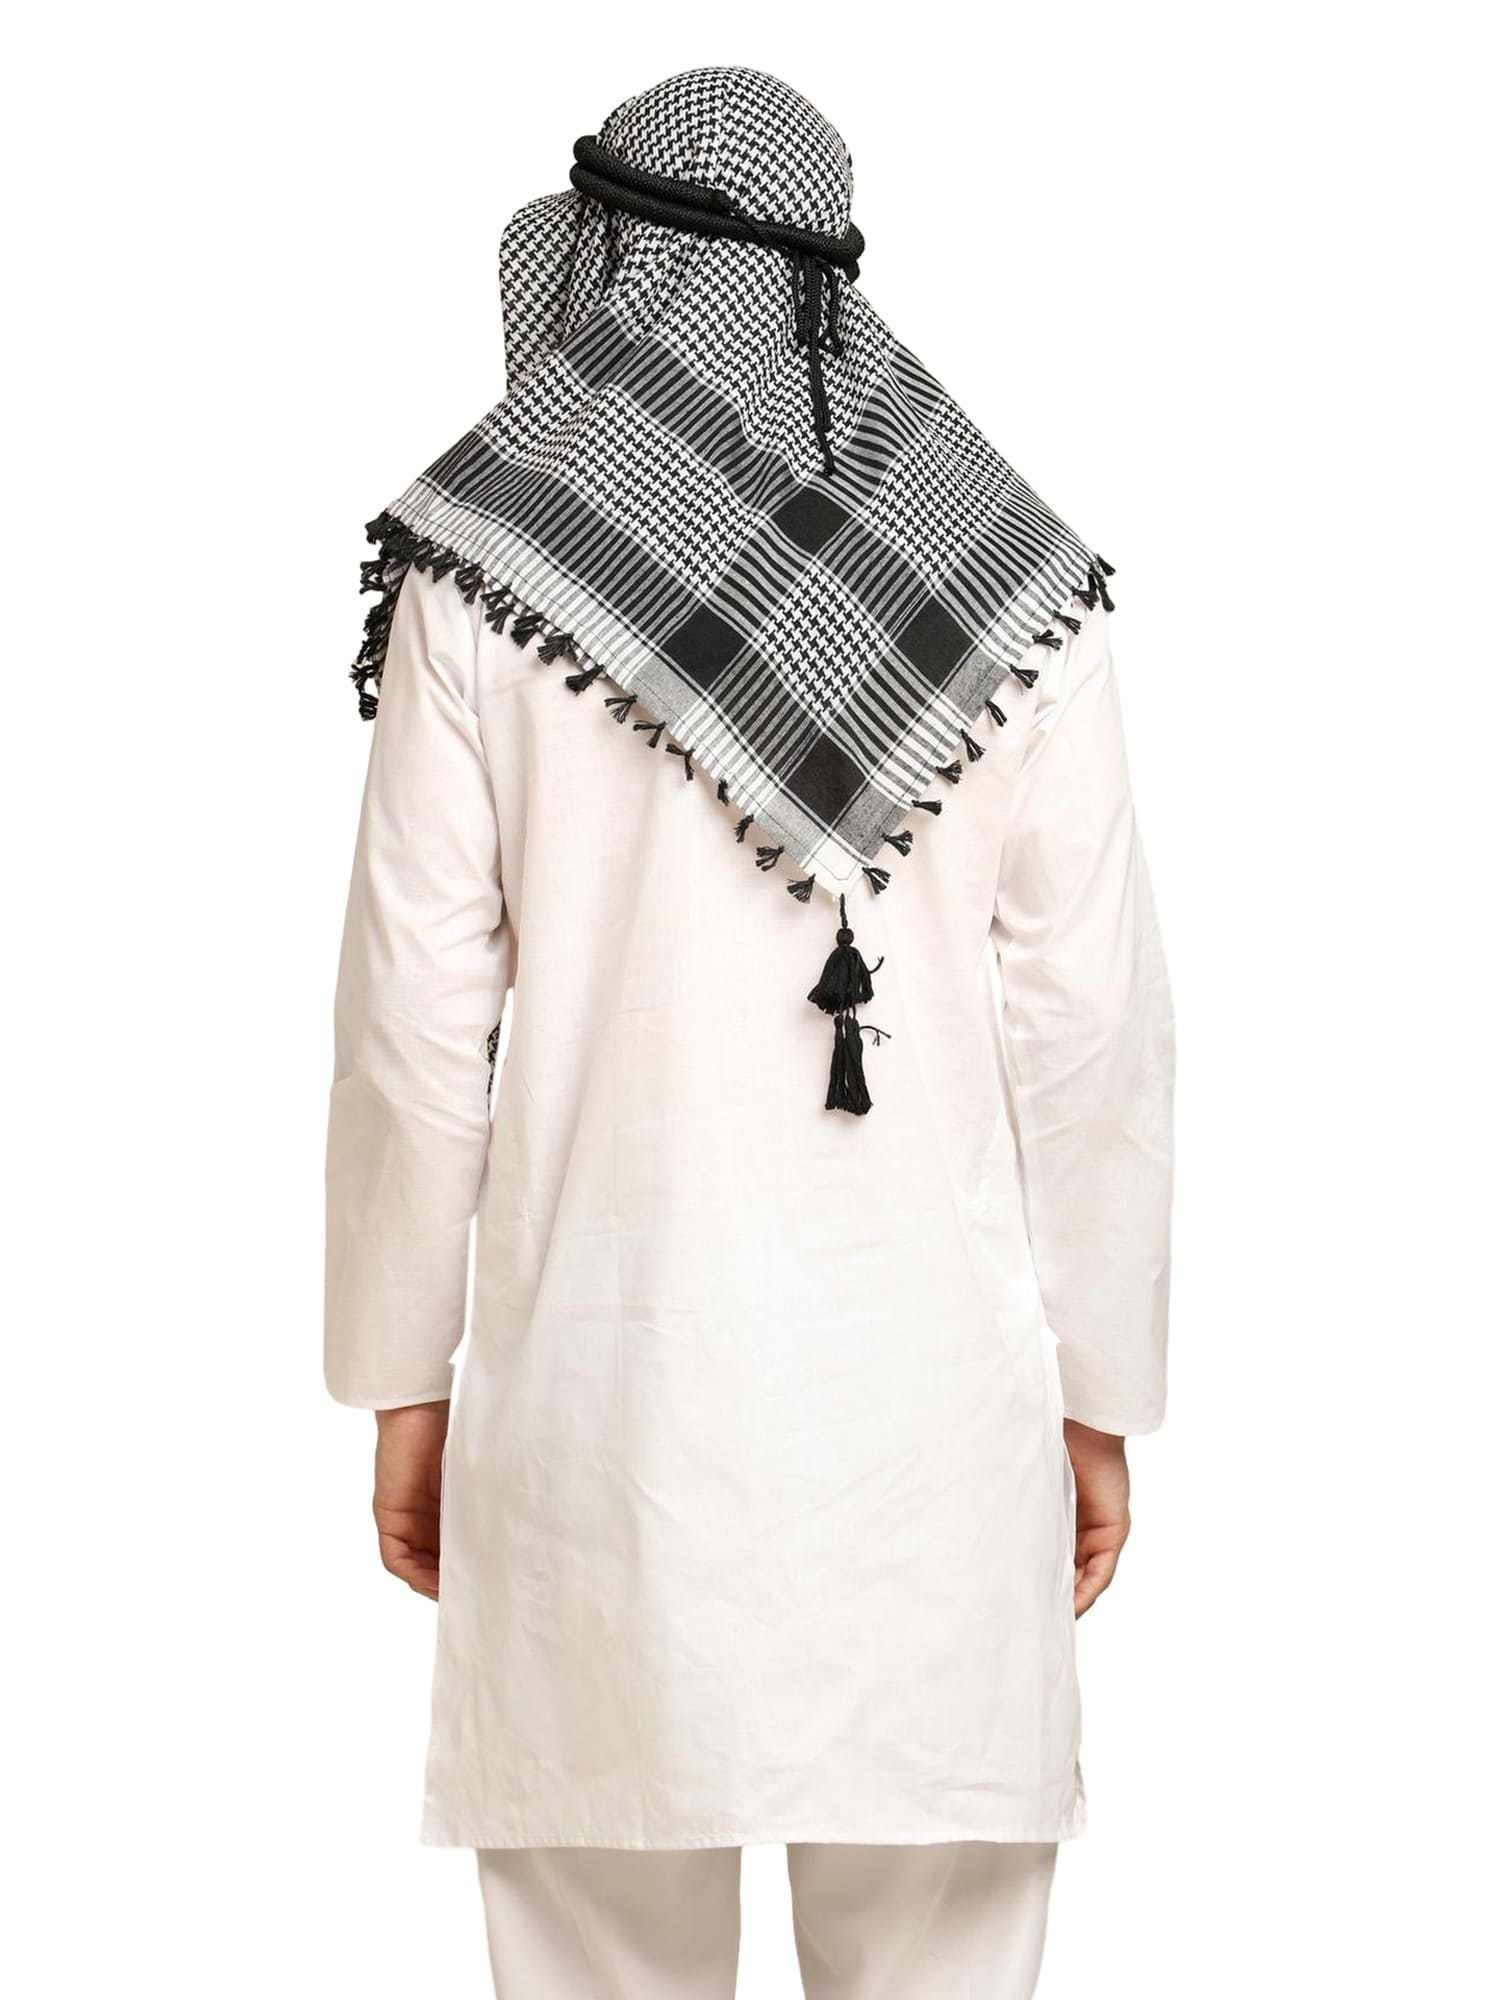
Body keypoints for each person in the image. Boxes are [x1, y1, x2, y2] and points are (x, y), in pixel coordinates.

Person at [325, 65, 1174, 2000]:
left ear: (600, 267)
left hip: (595, 1423)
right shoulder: (1019, 587)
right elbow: (1096, 1039)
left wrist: (401, 1377)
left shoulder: (477, 570)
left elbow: (412, 1025)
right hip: (932, 1444)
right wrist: (1100, 1399)